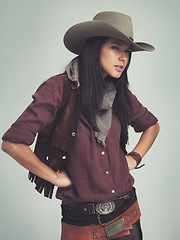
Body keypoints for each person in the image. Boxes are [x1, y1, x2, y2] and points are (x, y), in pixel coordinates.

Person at [1, 11, 159, 240]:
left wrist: (134, 157)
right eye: (116, 47)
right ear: (94, 48)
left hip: (128, 215)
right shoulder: (58, 89)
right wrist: (53, 177)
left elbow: (152, 125)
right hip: (83, 225)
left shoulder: (121, 93)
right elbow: (12, 143)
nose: (123, 58)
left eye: (127, 51)